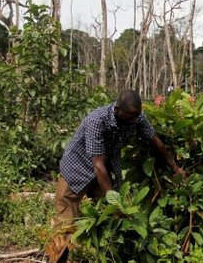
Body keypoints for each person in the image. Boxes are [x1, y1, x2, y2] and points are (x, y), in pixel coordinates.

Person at [45, 89, 185, 263]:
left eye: (137, 115)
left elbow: (154, 139)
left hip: (102, 172)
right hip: (76, 169)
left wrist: (175, 167)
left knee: (112, 219)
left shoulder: (137, 117)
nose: (134, 120)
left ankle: (108, 257)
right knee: (65, 225)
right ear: (118, 109)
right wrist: (114, 201)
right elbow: (97, 163)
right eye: (130, 116)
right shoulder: (97, 120)